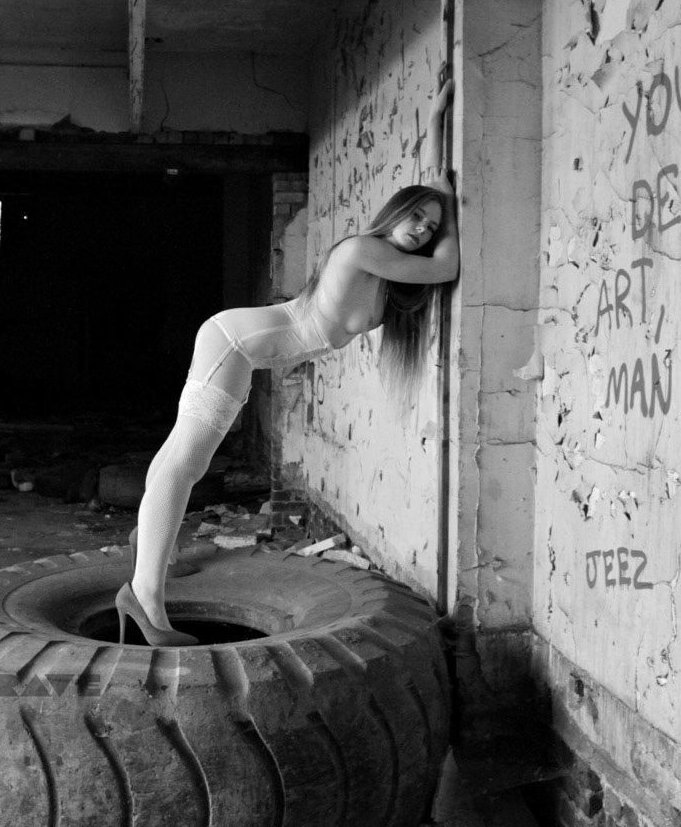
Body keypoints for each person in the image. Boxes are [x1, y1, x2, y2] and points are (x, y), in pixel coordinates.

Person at [117, 80, 458, 646]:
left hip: (244, 349)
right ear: (392, 213)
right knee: (186, 462)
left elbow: (426, 203)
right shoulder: (361, 251)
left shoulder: (388, 262)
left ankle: (148, 542)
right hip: (233, 342)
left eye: (429, 224)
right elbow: (444, 265)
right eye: (416, 217)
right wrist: (448, 211)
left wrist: (438, 121)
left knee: (179, 455)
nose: (423, 228)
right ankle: (144, 595)